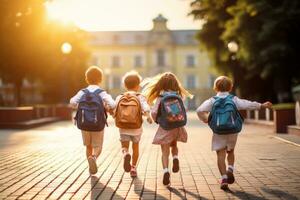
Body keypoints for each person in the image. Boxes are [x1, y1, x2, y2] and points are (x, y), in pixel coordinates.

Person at [196, 76, 272, 190]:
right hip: (232, 129)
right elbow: (248, 104)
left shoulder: (212, 100)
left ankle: (224, 178)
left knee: (220, 154)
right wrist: (262, 105)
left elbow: (199, 110)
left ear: (215, 88)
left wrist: (206, 119)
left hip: (218, 131)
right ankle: (230, 169)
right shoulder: (233, 99)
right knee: (230, 151)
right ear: (230, 87)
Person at [142, 72, 193, 186]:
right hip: (177, 126)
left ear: (162, 84)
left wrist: (157, 120)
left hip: (165, 127)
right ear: (175, 84)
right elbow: (184, 110)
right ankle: (175, 157)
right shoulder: (179, 96)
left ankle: (166, 171)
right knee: (174, 145)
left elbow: (154, 112)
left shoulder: (161, 97)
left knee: (164, 151)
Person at [70, 66, 116, 175]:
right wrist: (106, 106)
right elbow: (113, 104)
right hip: (98, 123)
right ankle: (94, 158)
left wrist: (79, 105)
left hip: (84, 123)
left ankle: (91, 168)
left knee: (88, 146)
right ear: (100, 79)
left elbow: (72, 102)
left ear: (87, 79)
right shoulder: (102, 92)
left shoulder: (82, 92)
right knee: (98, 146)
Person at [114, 71, 153, 177]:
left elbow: (114, 108)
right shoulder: (140, 97)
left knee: (124, 146)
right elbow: (145, 108)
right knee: (135, 148)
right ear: (138, 85)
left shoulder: (120, 97)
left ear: (125, 85)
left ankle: (126, 153)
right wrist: (148, 117)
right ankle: (133, 168)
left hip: (123, 127)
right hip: (136, 128)